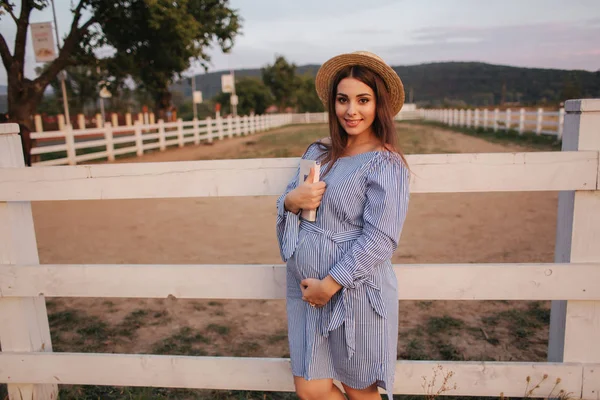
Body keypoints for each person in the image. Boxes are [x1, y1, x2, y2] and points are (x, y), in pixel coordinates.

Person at [276, 51, 411, 400]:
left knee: (359, 390)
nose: (351, 110)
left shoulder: (386, 164)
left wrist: (330, 284)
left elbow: (380, 238)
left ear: (377, 104)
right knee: (311, 390)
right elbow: (291, 202)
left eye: (363, 100)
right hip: (308, 295)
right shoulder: (319, 152)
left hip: (355, 292)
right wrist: (293, 201)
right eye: (343, 99)